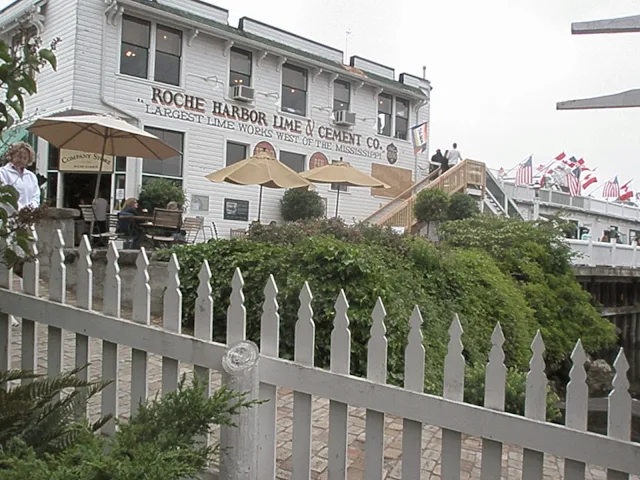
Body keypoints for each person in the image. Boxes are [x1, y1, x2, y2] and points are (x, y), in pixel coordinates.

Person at [0, 141, 40, 210]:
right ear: (12, 156)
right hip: (10, 217)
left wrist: (31, 209)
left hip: (29, 217)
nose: (21, 160)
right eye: (19, 157)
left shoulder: (31, 176)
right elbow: (6, 196)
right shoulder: (3, 172)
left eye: (25, 158)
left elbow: (36, 196)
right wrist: (21, 209)